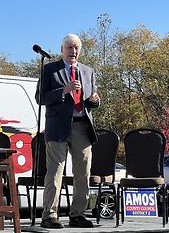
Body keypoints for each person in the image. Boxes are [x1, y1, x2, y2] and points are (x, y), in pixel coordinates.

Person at [35, 34, 100, 229]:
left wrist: (95, 101)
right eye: (69, 48)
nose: (73, 51)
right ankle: (49, 215)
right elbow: (40, 97)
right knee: (55, 171)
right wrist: (64, 90)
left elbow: (92, 99)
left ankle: (78, 214)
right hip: (58, 127)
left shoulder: (88, 71)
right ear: (62, 50)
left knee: (83, 172)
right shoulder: (49, 70)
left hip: (82, 125)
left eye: (76, 48)